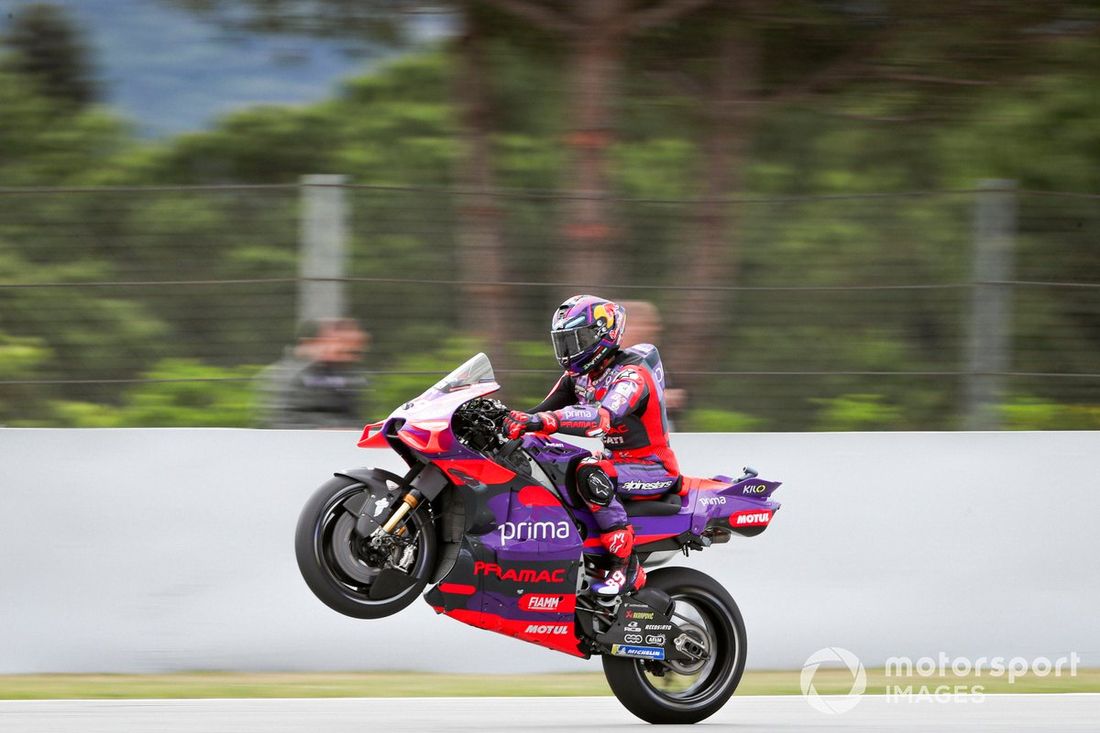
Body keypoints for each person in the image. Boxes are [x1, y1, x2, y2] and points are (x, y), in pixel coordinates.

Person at [503, 295, 680, 597]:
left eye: (578, 339)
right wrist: (502, 420)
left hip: (653, 467)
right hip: (617, 462)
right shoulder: (580, 376)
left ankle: (624, 564)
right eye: (564, 342)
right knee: (553, 462)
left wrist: (542, 421)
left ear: (603, 334)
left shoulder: (631, 376)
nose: (570, 351)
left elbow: (601, 418)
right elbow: (538, 412)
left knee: (589, 470)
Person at [257, 318, 369, 429]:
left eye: (355, 349)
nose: (349, 353)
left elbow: (354, 417)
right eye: (341, 342)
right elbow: (282, 421)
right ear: (312, 342)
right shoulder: (288, 375)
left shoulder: (349, 376)